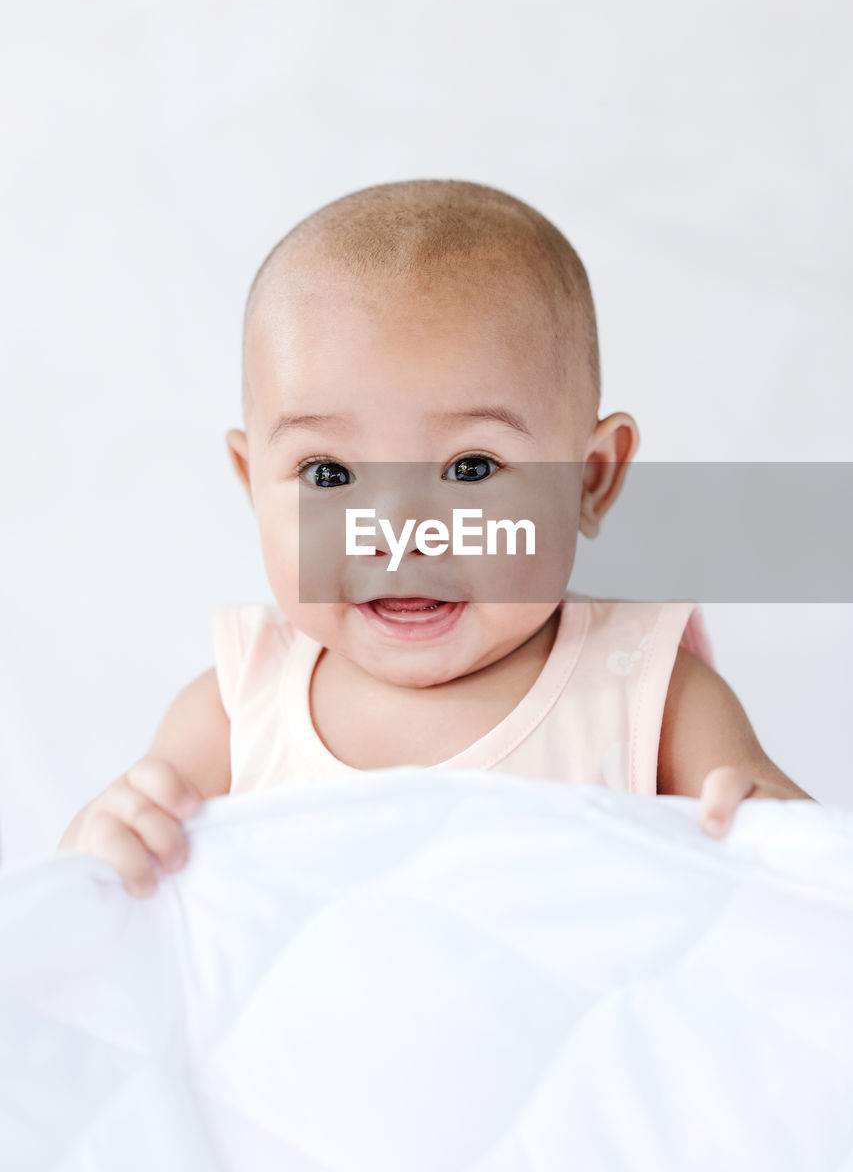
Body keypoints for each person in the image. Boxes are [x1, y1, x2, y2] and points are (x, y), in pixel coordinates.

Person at [58, 179, 814, 895]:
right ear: (253, 482)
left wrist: (770, 836)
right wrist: (102, 848)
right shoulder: (233, 712)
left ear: (590, 478)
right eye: (326, 474)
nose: (398, 535)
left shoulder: (646, 691)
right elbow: (103, 920)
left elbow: (797, 878)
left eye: (471, 466)